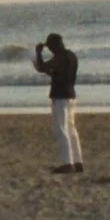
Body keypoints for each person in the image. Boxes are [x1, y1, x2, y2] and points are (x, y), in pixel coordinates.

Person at [35, 32, 84, 173]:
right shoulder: (72, 56)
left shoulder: (60, 57)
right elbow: (58, 73)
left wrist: (38, 54)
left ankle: (67, 163)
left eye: (50, 47)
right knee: (72, 129)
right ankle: (78, 161)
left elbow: (41, 67)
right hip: (71, 95)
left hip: (60, 97)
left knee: (61, 130)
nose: (49, 50)